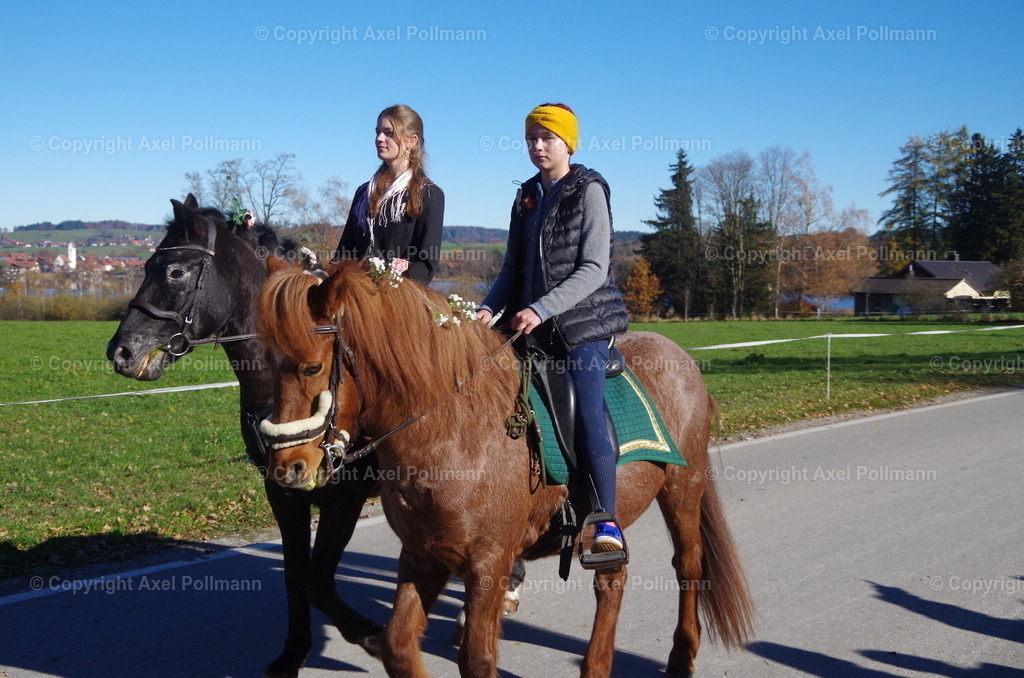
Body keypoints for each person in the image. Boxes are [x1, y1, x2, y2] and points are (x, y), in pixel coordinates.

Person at [477, 103, 629, 557]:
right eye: (531, 139)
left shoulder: (589, 190)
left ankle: (606, 519)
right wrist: (487, 310)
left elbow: (594, 269)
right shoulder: (526, 195)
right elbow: (510, 270)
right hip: (528, 321)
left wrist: (541, 309)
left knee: (585, 411)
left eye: (547, 138)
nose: (538, 146)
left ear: (568, 143)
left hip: (583, 323)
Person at [335, 104, 444, 285]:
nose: (379, 138)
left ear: (412, 140)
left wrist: (386, 287)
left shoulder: (429, 195)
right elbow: (344, 254)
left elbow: (425, 266)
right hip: (355, 295)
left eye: (389, 132)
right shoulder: (364, 193)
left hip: (396, 301)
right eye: (377, 131)